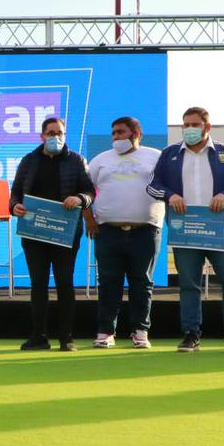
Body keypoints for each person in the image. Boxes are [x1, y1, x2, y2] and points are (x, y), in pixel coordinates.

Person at [147, 106, 224, 353]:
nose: (189, 129)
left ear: (207, 127)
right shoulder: (170, 154)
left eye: (195, 125)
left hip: (222, 229)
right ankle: (191, 334)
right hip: (186, 230)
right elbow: (152, 186)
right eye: (186, 125)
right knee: (188, 284)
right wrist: (170, 195)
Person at [9, 117, 94, 352]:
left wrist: (80, 198)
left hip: (65, 232)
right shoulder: (29, 160)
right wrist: (14, 206)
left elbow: (90, 191)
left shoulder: (76, 160)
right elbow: (15, 192)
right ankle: (39, 336)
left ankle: (66, 337)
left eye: (60, 133)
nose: (56, 137)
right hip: (34, 232)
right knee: (38, 283)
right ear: (42, 136)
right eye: (51, 133)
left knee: (65, 282)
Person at [83, 117, 164, 350]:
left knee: (142, 282)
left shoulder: (156, 157)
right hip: (108, 230)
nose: (115, 137)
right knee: (109, 283)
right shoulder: (101, 159)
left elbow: (170, 188)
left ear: (136, 133)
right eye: (113, 133)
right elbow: (85, 192)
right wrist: (89, 219)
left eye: (120, 132)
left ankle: (140, 332)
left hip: (146, 230)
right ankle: (106, 332)